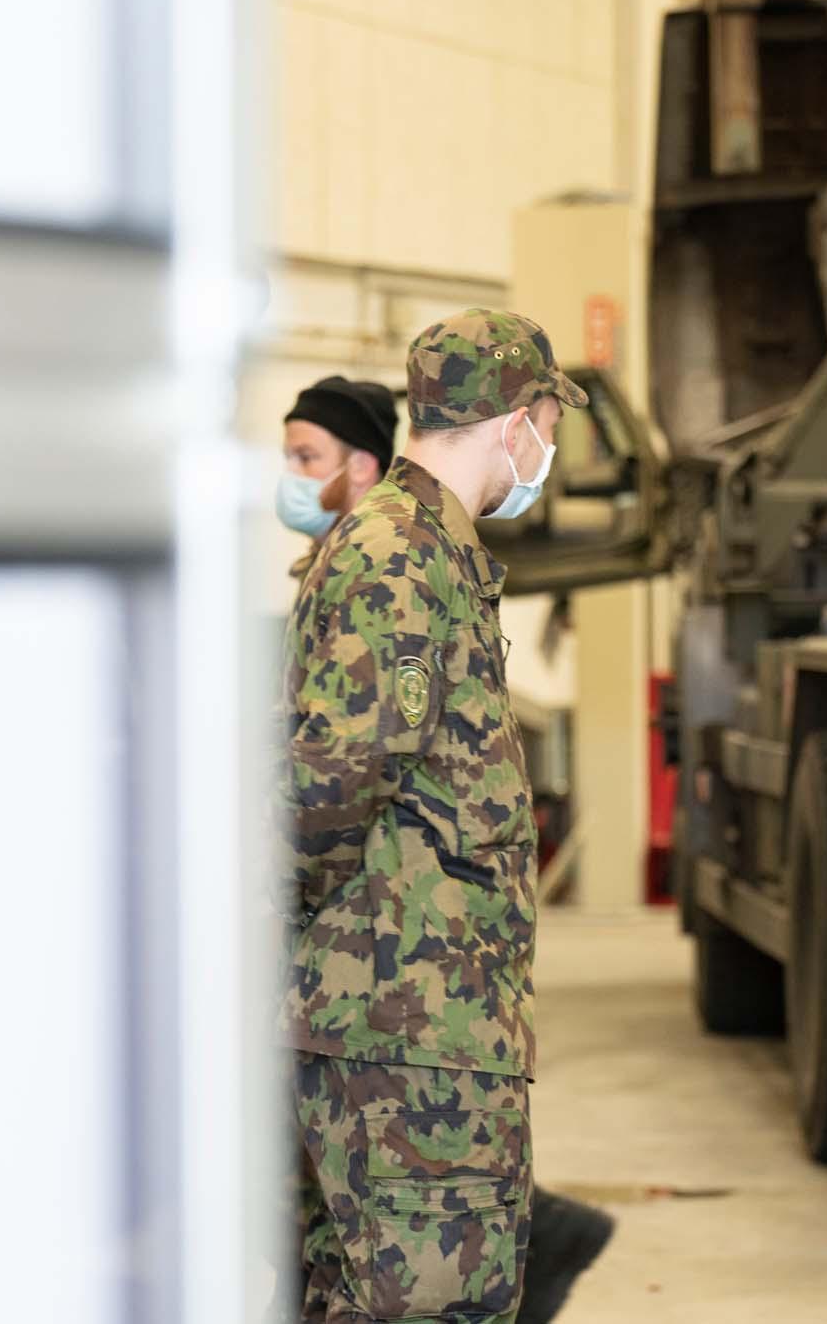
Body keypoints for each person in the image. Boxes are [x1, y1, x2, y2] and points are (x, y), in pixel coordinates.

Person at [280, 310, 612, 1323]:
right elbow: (335, 776)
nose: (548, 445)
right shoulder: (405, 553)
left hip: (396, 1017)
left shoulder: (415, 543)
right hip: (409, 1028)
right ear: (516, 419)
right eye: (549, 418)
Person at [276, 375, 401, 575]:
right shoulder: (329, 561)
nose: (290, 472)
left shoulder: (386, 567)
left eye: (306, 457)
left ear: (361, 466)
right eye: (289, 457)